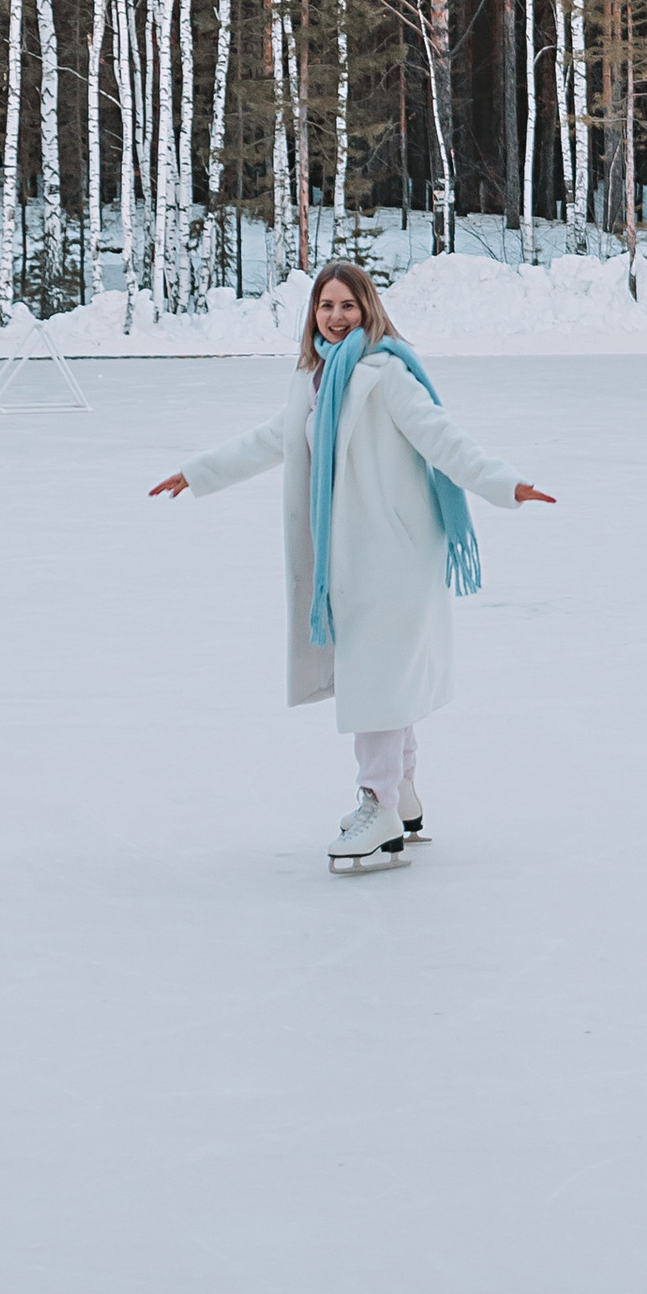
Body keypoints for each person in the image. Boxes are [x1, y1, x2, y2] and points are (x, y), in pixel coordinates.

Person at [150, 260, 555, 866]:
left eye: (347, 306)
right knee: (384, 678)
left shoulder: (385, 374)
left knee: (374, 680)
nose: (335, 318)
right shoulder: (314, 382)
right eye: (324, 306)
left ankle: (378, 800)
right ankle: (402, 792)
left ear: (368, 310)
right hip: (348, 558)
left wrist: (505, 484)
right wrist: (199, 472)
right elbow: (273, 439)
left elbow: (443, 440)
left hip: (392, 557)